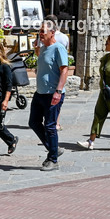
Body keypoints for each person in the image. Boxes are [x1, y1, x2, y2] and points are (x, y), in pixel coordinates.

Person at [28, 20, 69, 171]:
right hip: (40, 93)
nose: (40, 34)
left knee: (50, 126)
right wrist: (37, 49)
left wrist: (58, 91)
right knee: (33, 122)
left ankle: (53, 159)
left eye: (43, 31)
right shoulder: (44, 48)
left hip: (52, 94)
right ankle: (54, 149)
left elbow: (64, 70)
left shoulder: (58, 48)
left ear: (52, 33)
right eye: (39, 31)